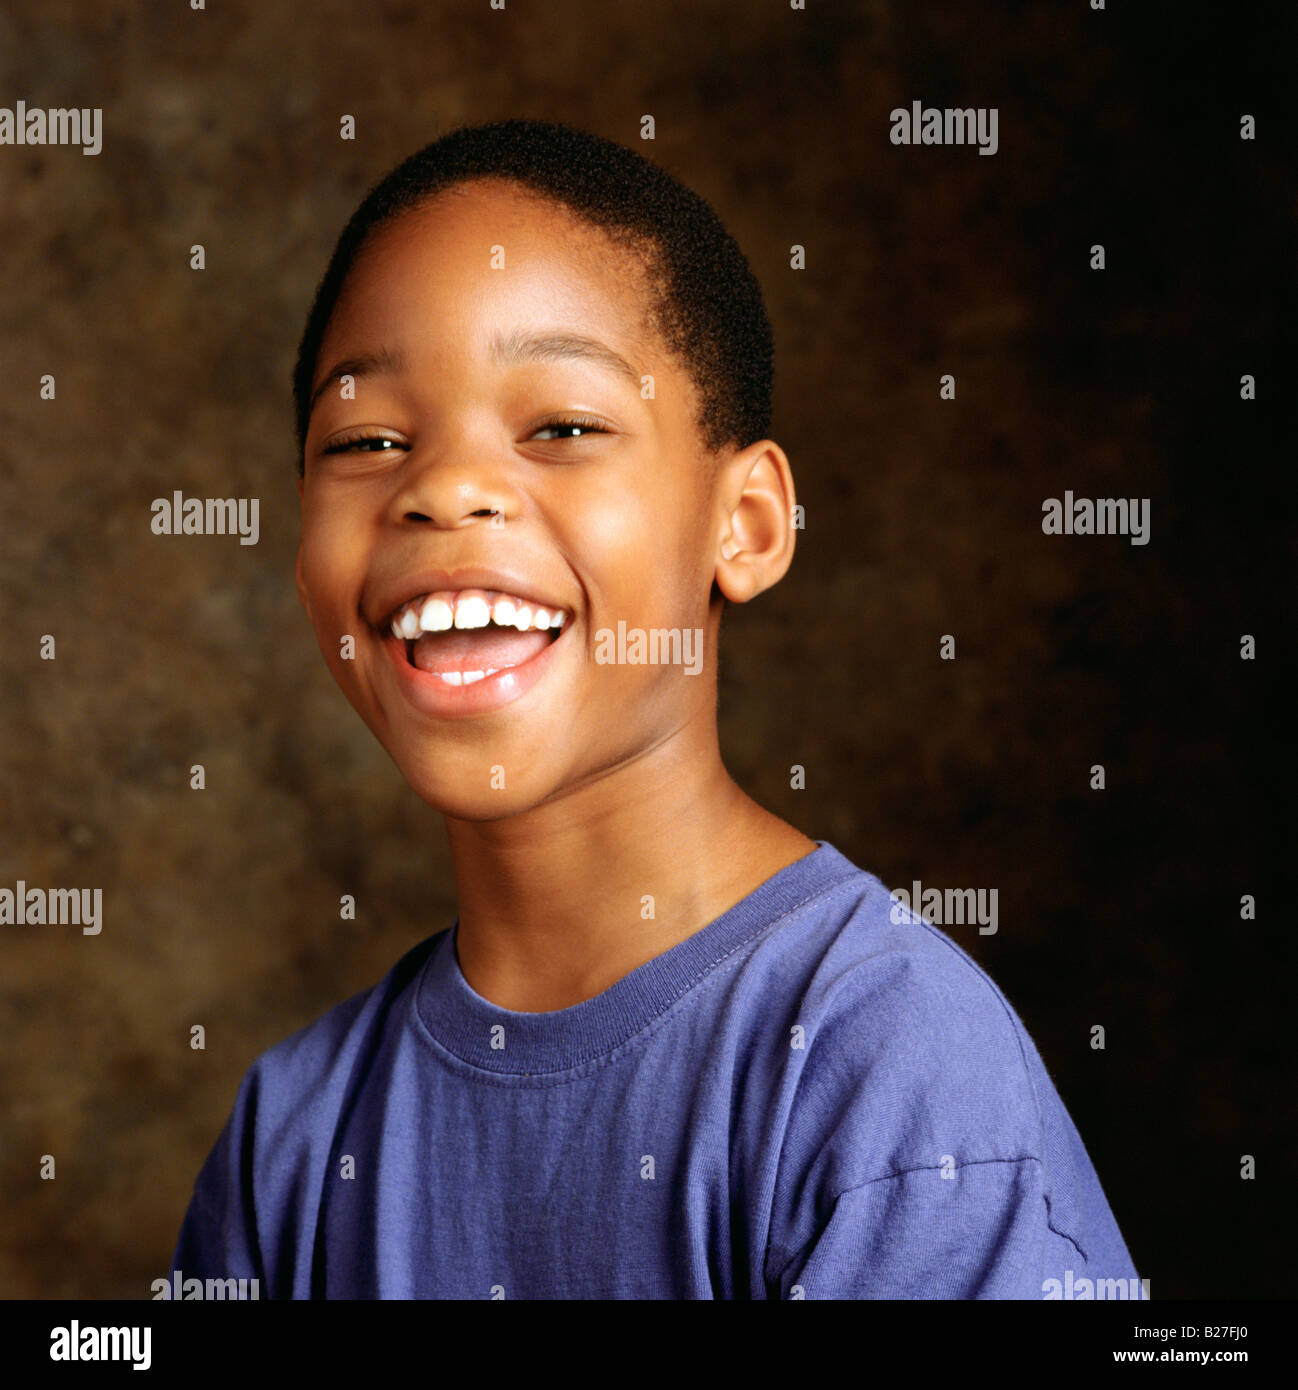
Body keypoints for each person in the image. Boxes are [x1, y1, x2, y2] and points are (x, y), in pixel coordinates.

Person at [170, 118, 1140, 1299]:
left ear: (747, 524)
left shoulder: (880, 1056)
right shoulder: (294, 1134)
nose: (444, 487)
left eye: (562, 428)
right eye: (367, 438)